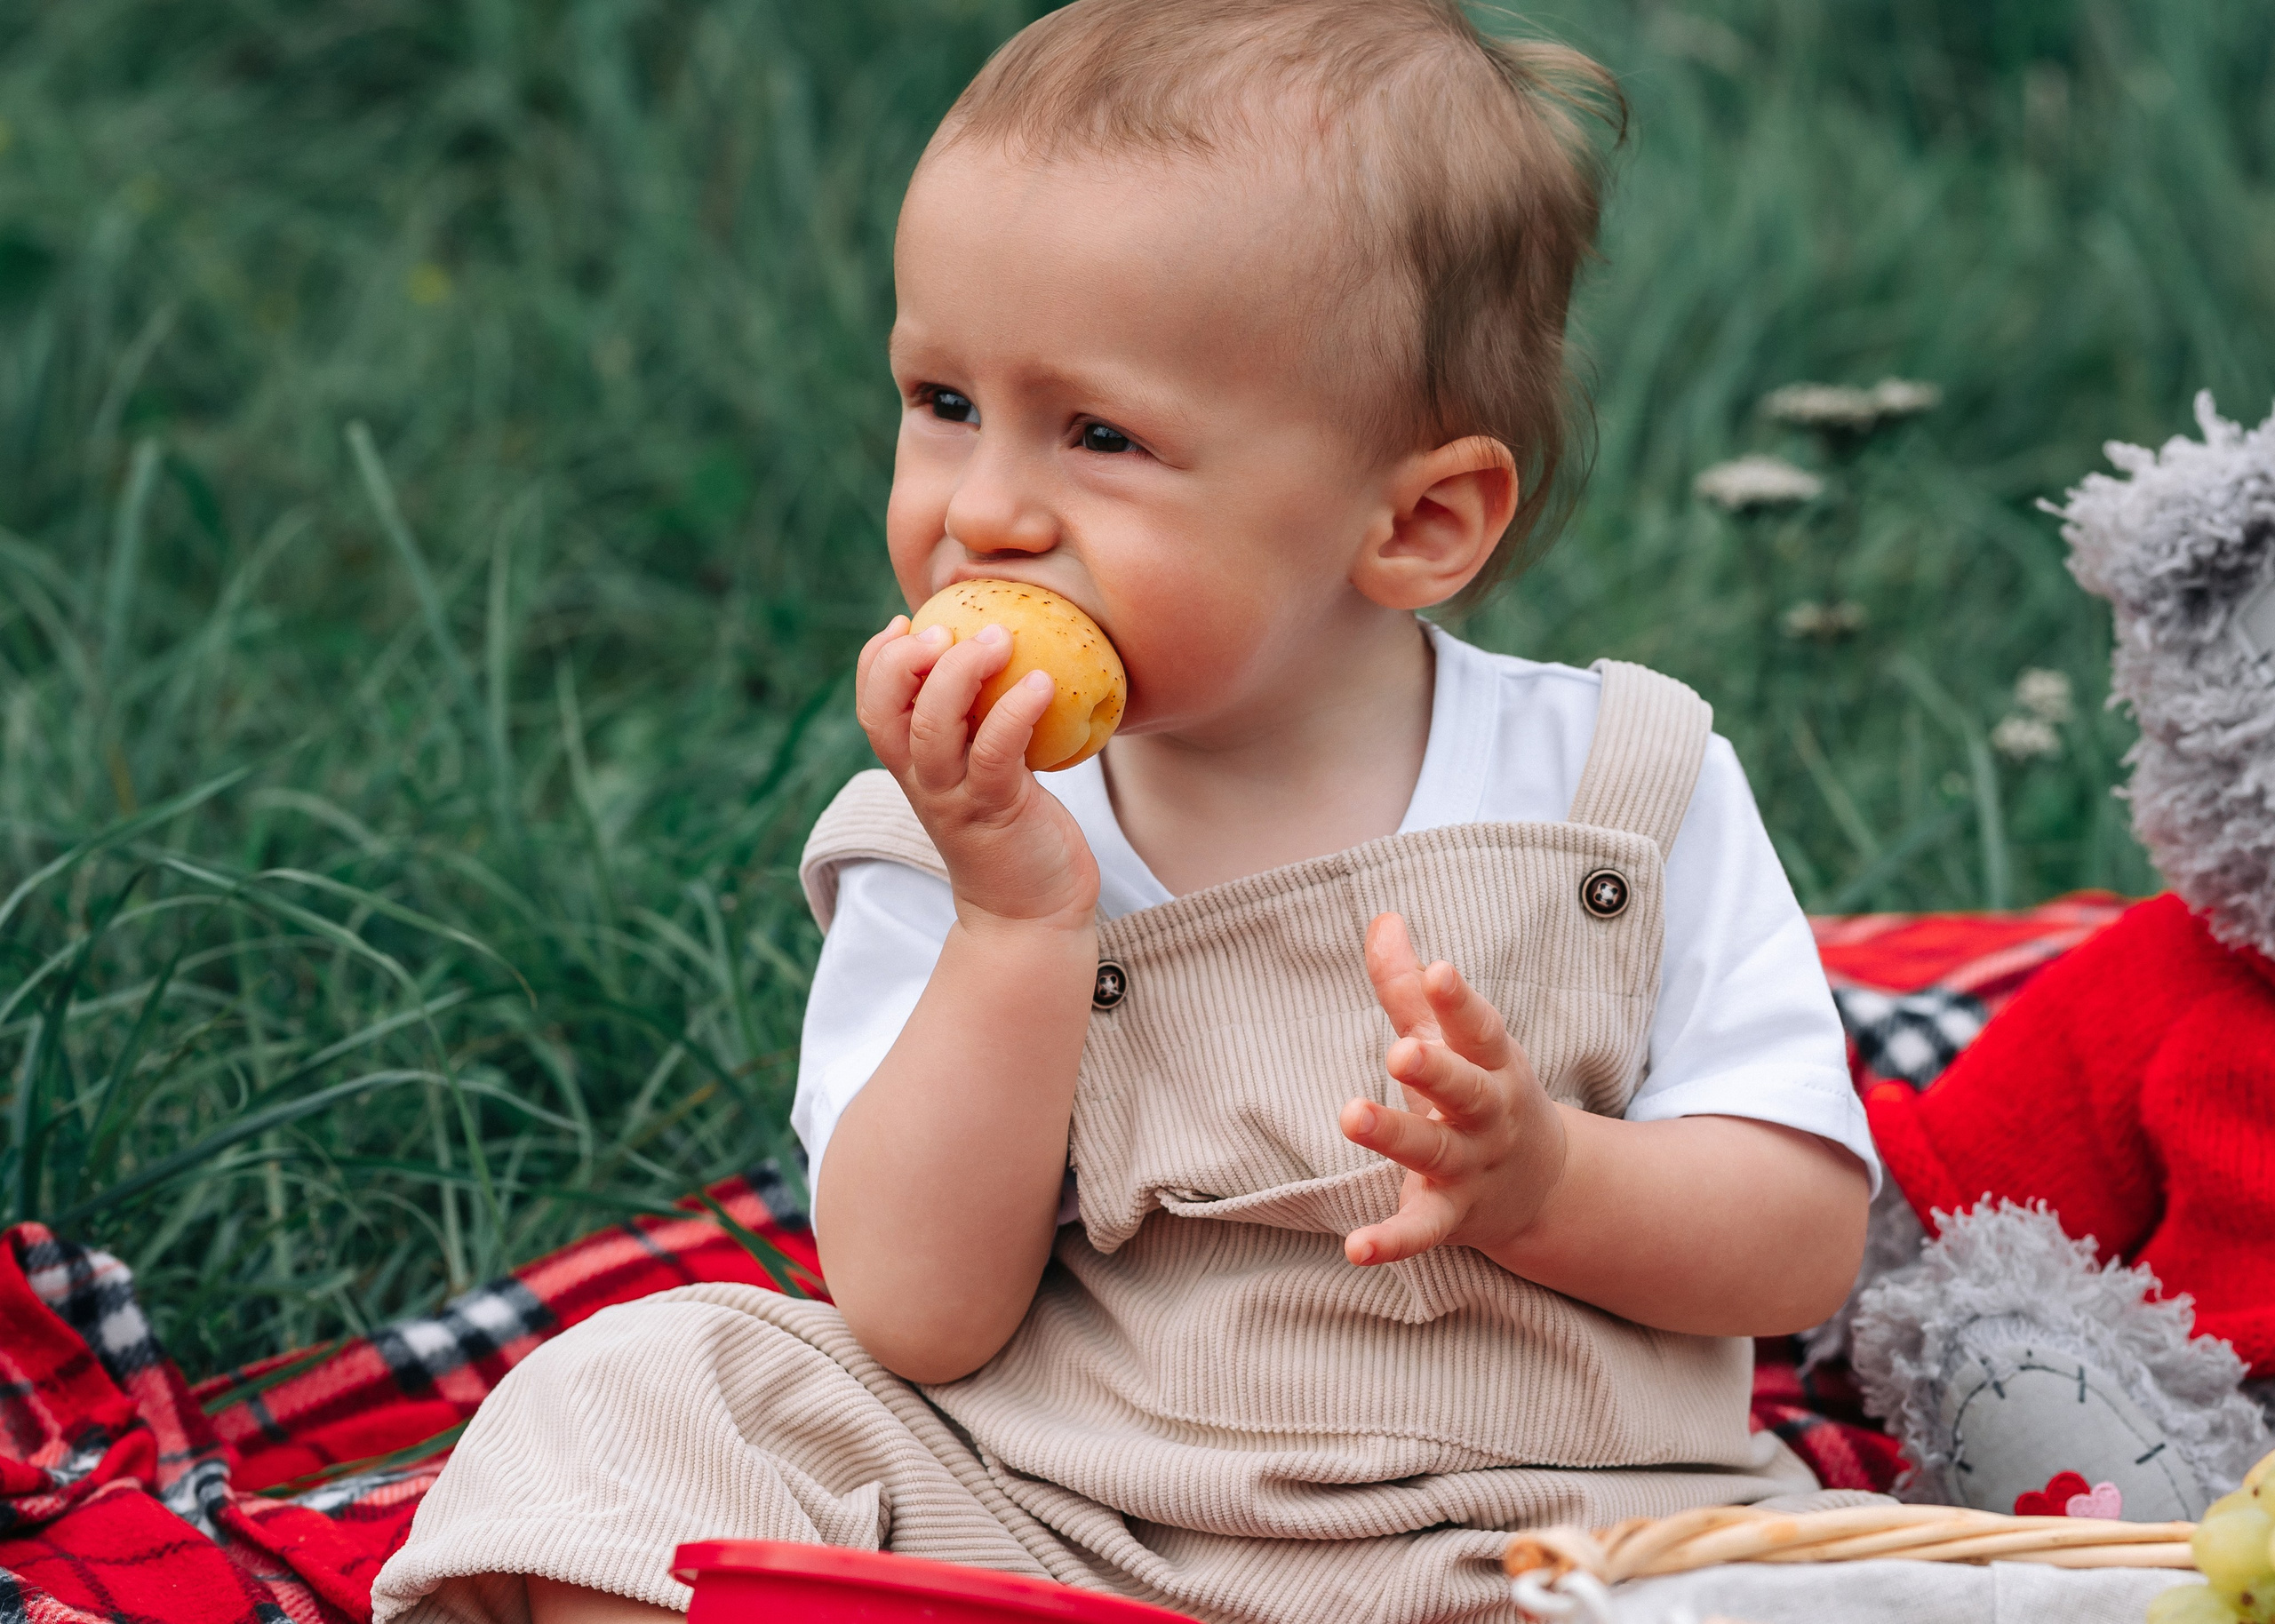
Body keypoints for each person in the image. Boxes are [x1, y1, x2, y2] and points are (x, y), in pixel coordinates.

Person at [372, 4, 1872, 1622]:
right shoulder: (956, 830)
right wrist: (1019, 919)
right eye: (943, 400)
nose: (986, 509)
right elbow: (916, 1315)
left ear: (1421, 520)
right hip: (1061, 1533)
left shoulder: (1623, 793)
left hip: (1549, 1546)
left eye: (1099, 435)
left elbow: (1798, 1246)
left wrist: (1549, 1183)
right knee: (648, 1384)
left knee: (1834, 1595)